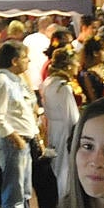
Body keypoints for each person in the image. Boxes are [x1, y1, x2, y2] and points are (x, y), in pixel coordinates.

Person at [0, 41, 41, 208]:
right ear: (14, 60)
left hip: (23, 141)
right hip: (11, 142)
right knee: (13, 194)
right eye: (25, 57)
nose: (28, 61)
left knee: (24, 192)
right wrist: (15, 137)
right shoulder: (0, 81)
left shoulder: (17, 80)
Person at [42, 47, 83, 197]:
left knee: (58, 167)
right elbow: (72, 117)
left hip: (53, 129)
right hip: (65, 131)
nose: (78, 65)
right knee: (65, 169)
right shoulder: (63, 88)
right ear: (69, 66)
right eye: (76, 63)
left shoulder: (48, 82)